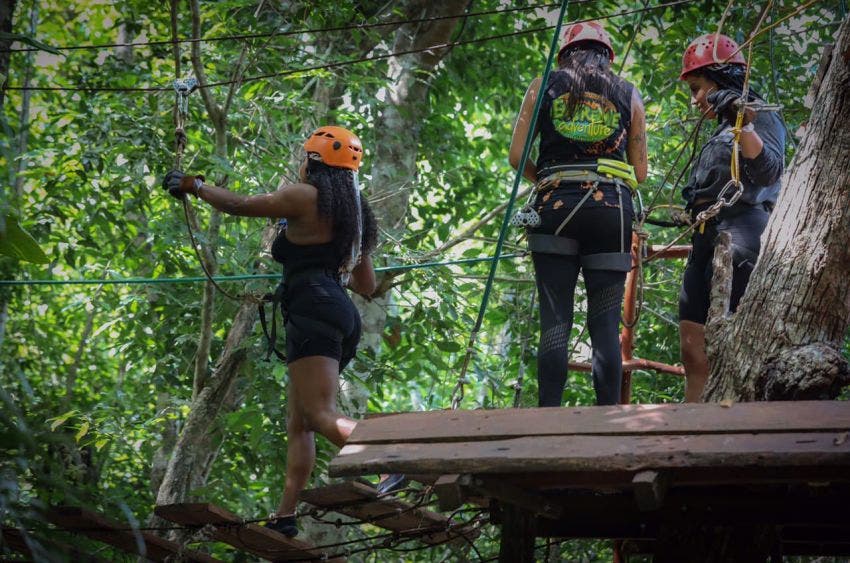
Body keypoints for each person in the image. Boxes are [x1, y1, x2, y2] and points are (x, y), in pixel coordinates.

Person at [162, 125, 378, 537]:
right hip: (335, 309)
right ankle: (285, 515)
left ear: (313, 160)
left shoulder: (305, 196)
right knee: (301, 422)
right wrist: (327, 267)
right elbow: (366, 285)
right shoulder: (353, 212)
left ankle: (389, 459)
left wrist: (196, 186)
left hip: (312, 306)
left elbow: (240, 204)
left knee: (320, 414)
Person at [509, 21, 648, 407]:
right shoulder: (629, 93)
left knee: (555, 323)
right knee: (604, 323)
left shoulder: (542, 86)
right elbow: (639, 172)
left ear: (564, 55)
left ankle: (547, 418)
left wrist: (548, 180)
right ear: (607, 58)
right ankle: (608, 421)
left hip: (555, 207)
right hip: (610, 210)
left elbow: (517, 157)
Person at [677, 34, 785, 402]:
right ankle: (692, 427)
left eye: (697, 89)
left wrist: (745, 123)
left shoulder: (757, 114)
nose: (694, 100)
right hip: (705, 234)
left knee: (732, 352)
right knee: (692, 347)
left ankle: (732, 427)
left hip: (740, 232)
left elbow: (769, 172)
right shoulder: (721, 126)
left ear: (720, 79)